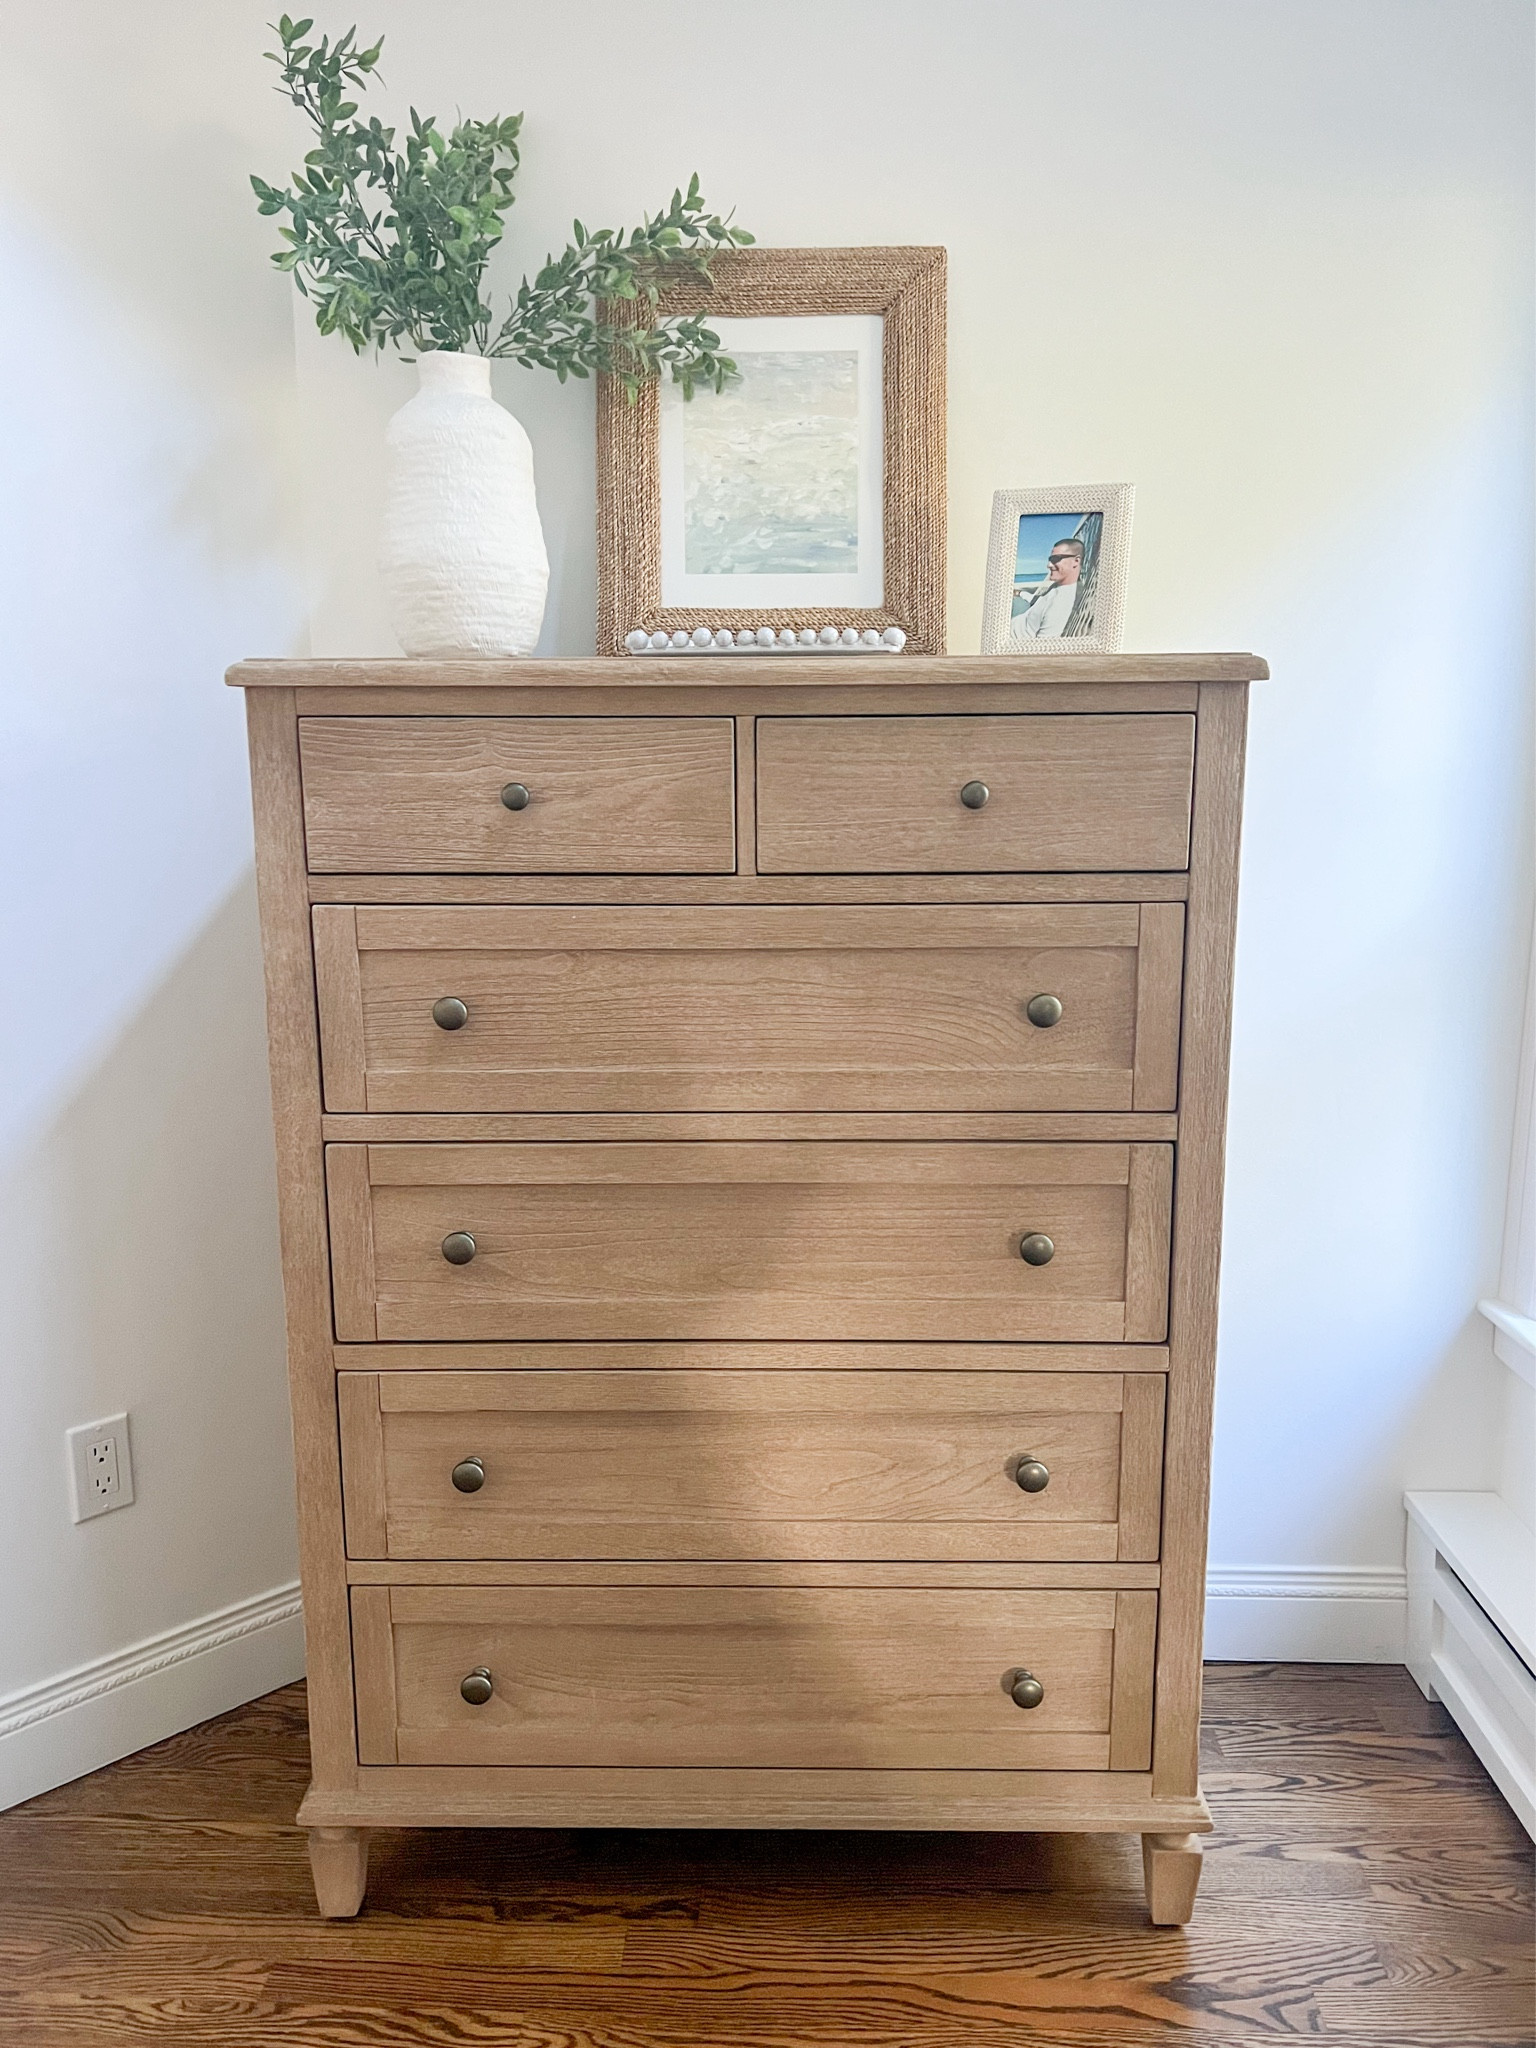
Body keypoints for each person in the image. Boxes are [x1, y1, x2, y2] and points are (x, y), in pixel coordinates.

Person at [1006, 534, 1084, 643]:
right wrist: (1020, 593)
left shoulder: (1062, 603)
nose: (1049, 565)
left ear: (1076, 561)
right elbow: (1041, 602)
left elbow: (1042, 647)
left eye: (1056, 559)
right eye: (1050, 559)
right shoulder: (1059, 585)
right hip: (1021, 621)